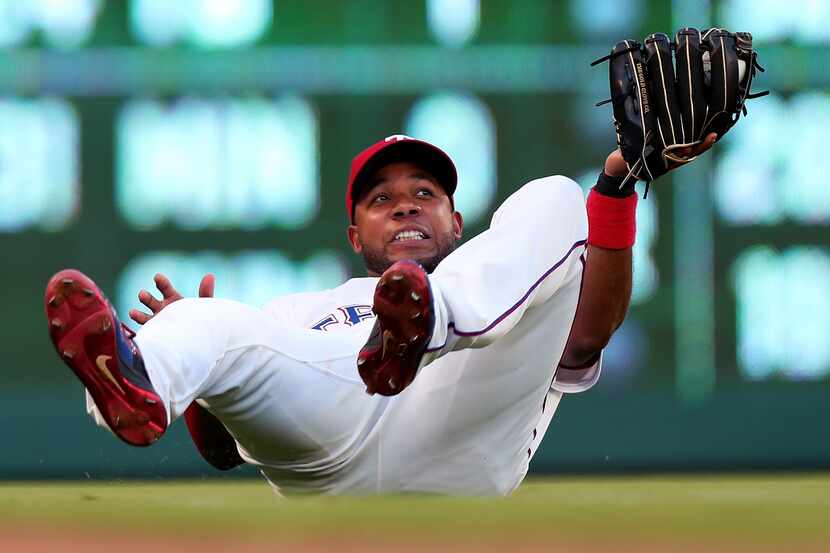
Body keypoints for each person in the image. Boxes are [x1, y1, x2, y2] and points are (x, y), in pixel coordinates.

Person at [45, 132, 715, 495]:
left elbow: (591, 330)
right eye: (380, 198)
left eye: (425, 192)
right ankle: (142, 375)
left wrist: (620, 184)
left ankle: (427, 322)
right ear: (355, 236)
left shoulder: (504, 280)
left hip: (463, 429)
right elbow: (224, 454)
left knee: (557, 196)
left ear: (456, 221)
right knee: (211, 320)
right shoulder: (296, 308)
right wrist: (205, 381)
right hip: (330, 436)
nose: (404, 204)